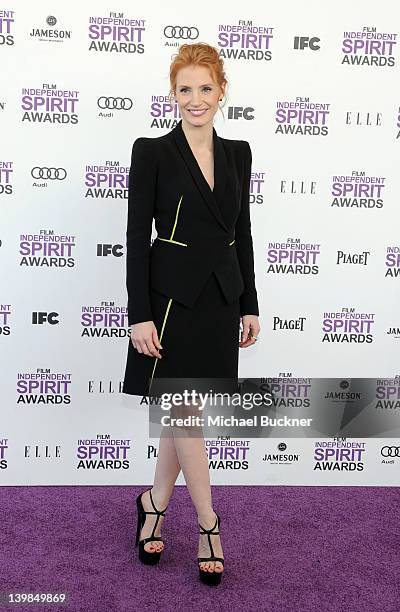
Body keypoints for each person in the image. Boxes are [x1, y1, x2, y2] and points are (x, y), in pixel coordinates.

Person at [122, 42, 260, 586]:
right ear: (172, 94)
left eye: (206, 88)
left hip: (221, 300)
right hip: (171, 303)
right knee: (185, 417)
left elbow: (241, 233)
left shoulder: (239, 152)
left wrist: (249, 302)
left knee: (182, 419)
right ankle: (209, 523)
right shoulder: (151, 151)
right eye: (186, 89)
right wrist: (139, 314)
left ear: (221, 91)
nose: (196, 99)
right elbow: (137, 236)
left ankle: (154, 504)